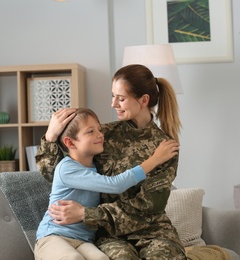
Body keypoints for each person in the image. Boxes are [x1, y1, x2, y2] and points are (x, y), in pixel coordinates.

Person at [36, 64, 185, 260]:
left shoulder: (165, 148)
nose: (113, 104)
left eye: (121, 98)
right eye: (112, 96)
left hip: (153, 232)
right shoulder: (102, 135)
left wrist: (87, 214)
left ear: (143, 100)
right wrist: (50, 136)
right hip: (109, 235)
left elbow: (148, 206)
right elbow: (55, 174)